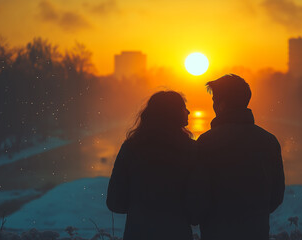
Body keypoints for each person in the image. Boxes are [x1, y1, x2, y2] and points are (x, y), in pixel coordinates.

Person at [189, 74, 285, 240]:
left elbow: (199, 196)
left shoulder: (206, 142)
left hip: (217, 232)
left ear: (221, 105)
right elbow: (276, 196)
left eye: (214, 100)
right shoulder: (268, 141)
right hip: (256, 231)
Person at [106, 91, 194, 240]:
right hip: (177, 233)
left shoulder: (131, 148)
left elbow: (115, 202)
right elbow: (196, 205)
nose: (188, 111)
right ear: (173, 114)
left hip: (139, 233)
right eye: (183, 107)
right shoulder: (191, 150)